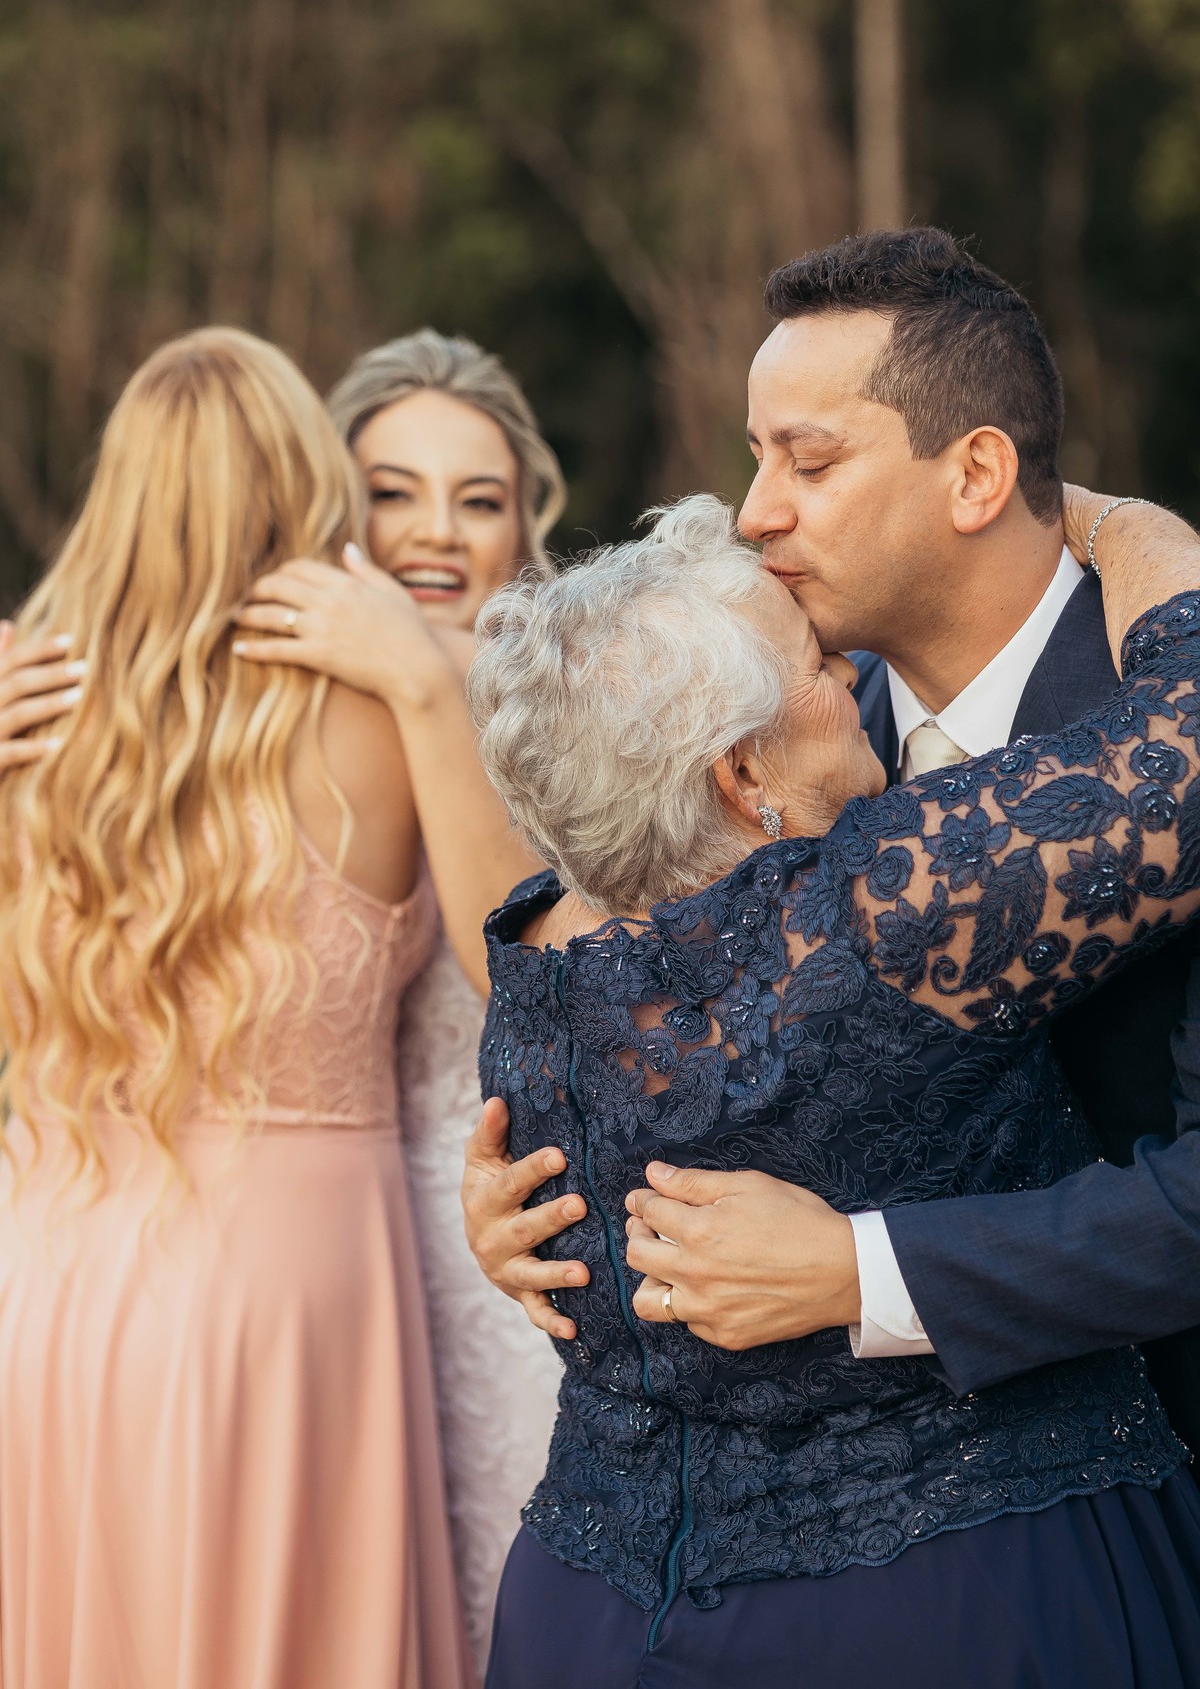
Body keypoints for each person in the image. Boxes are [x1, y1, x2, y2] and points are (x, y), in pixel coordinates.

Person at [462, 227, 1200, 1465]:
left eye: (808, 459)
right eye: (758, 456)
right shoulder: (784, 738)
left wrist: (868, 1269)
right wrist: (546, 1200)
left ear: (975, 476)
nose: (756, 512)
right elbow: (678, 1010)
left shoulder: (1148, 732)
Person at [467, 487, 1200, 1688]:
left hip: (588, 1611)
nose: (846, 663)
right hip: (937, 1599)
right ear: (744, 770)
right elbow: (1179, 766)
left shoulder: (547, 949)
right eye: (813, 664)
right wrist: (1137, 535)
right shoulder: (881, 912)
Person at [0, 330, 471, 1689]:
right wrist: (428, 671)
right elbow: (528, 957)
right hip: (288, 1301)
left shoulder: (35, 722)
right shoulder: (384, 711)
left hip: (51, 1279)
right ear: (307, 483)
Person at [228, 329, 566, 1670]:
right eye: (395, 491)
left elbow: (530, 972)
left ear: (522, 528)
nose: (436, 534)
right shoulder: (258, 714)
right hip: (309, 1264)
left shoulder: (571, 720)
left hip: (511, 1258)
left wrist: (425, 684)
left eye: (477, 500)